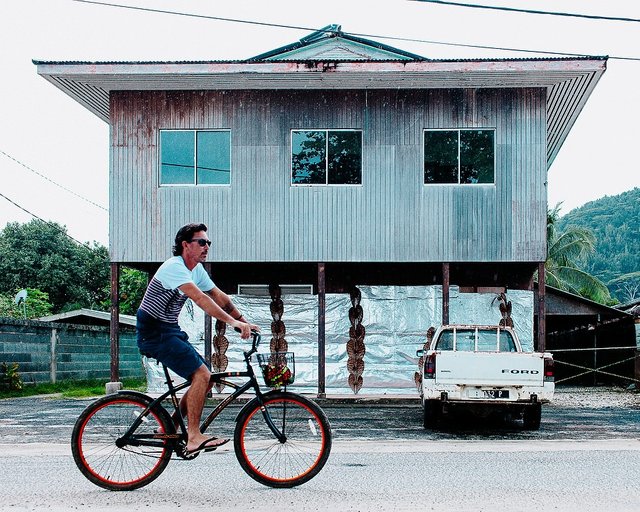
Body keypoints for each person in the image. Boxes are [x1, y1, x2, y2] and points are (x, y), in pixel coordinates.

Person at [136, 223, 259, 455]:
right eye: (201, 242)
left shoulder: (196, 269)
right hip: (154, 331)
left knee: (207, 379)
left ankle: (171, 427)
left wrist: (243, 319)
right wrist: (233, 324)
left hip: (168, 329)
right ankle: (193, 436)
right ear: (185, 245)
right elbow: (201, 299)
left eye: (208, 243)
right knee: (201, 375)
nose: (207, 247)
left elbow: (218, 295)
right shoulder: (175, 267)